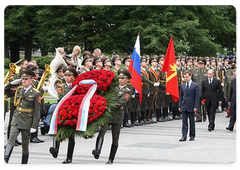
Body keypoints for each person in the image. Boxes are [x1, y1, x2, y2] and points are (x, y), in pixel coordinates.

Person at [92, 68, 131, 165]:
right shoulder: (114, 88)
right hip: (108, 115)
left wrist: (108, 105)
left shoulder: (128, 91)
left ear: (127, 80)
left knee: (115, 138)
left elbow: (121, 102)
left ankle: (111, 159)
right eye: (120, 78)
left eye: (123, 78)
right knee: (102, 132)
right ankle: (97, 150)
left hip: (117, 116)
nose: (120, 80)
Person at [2, 69, 41, 165]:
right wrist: (11, 84)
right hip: (16, 118)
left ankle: (24, 164)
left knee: (25, 144)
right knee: (11, 138)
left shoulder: (35, 93)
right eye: (23, 79)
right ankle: (5, 158)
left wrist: (34, 126)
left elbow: (37, 111)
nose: (24, 81)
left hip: (27, 120)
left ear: (31, 80)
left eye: (26, 79)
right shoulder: (19, 89)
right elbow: (4, 91)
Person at [49, 66, 78, 164]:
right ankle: (55, 149)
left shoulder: (77, 87)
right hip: (62, 111)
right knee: (58, 132)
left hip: (73, 113)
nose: (67, 77)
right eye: (65, 75)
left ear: (73, 76)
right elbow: (61, 97)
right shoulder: (61, 86)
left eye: (69, 75)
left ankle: (69, 157)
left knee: (71, 136)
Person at [178, 70, 200, 141]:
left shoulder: (195, 85)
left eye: (187, 77)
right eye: (184, 77)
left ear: (190, 76)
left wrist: (196, 106)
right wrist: (180, 105)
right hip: (184, 105)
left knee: (191, 121)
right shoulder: (182, 85)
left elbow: (197, 97)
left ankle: (192, 135)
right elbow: (181, 96)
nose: (185, 79)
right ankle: (184, 135)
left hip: (191, 105)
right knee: (184, 122)